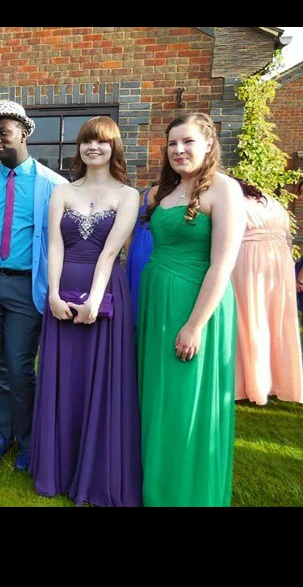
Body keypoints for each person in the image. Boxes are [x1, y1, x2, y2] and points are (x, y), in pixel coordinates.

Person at [29, 116, 143, 507]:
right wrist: (53, 295)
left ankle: (95, 472)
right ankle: (58, 469)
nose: (93, 147)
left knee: (101, 379)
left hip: (105, 291)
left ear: (114, 147)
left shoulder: (128, 195)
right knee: (65, 378)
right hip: (62, 290)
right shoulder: (62, 191)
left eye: (102, 141)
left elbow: (110, 253)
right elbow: (54, 246)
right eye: (87, 141)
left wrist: (94, 300)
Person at [137, 113, 246, 507]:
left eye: (188, 142)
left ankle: (186, 495)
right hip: (157, 306)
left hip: (196, 307)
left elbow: (223, 263)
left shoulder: (224, 189)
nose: (179, 150)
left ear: (209, 144)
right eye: (172, 144)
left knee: (186, 402)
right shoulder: (165, 191)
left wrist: (195, 325)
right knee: (158, 399)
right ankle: (154, 486)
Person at [0, 100, 68, 471]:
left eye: (4, 132)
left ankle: (28, 440)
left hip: (27, 287)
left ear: (24, 133)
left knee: (19, 367)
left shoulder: (53, 186)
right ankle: (1, 435)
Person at [231, 179, 303, 405]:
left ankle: (252, 382)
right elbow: (288, 239)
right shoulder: (273, 203)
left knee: (250, 318)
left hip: (249, 260)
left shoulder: (234, 201)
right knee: (277, 321)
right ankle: (278, 380)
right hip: (280, 262)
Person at [124, 184, 158, 326]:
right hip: (155, 247)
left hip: (137, 249)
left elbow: (127, 233)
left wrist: (130, 256)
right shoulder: (166, 191)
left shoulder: (142, 195)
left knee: (137, 299)